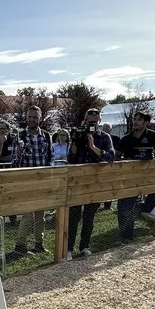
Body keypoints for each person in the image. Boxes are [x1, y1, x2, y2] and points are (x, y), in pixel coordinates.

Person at [66, 109, 115, 260]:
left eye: (94, 122)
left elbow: (111, 157)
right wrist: (75, 142)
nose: (91, 125)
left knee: (89, 217)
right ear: (85, 120)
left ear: (99, 121)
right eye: (89, 121)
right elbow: (70, 159)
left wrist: (93, 147)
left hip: (95, 183)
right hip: (78, 183)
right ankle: (68, 249)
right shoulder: (79, 134)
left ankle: (84, 247)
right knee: (73, 218)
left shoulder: (104, 137)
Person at [115, 111, 155, 241]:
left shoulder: (152, 136)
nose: (135, 122)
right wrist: (129, 161)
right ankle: (126, 237)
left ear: (146, 122)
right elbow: (117, 156)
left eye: (139, 120)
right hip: (130, 178)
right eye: (134, 119)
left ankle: (141, 212)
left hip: (148, 177)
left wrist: (151, 157)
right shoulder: (126, 139)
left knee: (150, 203)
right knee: (124, 206)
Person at [12, 105, 53, 255]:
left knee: (40, 216)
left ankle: (39, 244)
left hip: (42, 182)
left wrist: (49, 177)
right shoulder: (20, 136)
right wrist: (18, 153)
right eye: (30, 116)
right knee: (28, 215)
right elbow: (14, 163)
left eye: (35, 117)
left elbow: (51, 158)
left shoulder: (47, 136)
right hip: (26, 182)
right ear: (26, 118)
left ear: (40, 118)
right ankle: (20, 246)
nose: (32, 119)